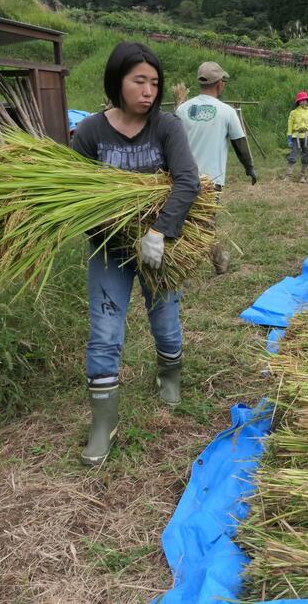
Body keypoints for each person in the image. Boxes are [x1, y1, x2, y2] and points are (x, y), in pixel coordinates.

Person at [71, 42, 200, 467]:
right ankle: (102, 422)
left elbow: (187, 181)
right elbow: (77, 194)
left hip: (159, 249)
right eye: (138, 81)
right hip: (108, 249)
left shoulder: (166, 126)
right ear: (117, 81)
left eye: (154, 83)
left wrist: (160, 232)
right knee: (105, 330)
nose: (148, 91)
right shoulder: (90, 132)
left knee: (165, 320)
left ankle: (169, 376)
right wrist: (110, 230)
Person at [176, 61, 257, 274]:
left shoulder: (182, 109)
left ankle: (195, 259)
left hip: (181, 177)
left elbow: (171, 143)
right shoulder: (226, 111)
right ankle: (217, 261)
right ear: (219, 83)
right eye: (224, 81)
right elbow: (240, 144)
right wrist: (249, 168)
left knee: (186, 218)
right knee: (206, 221)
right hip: (211, 180)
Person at [284, 90, 308, 182]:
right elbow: (290, 125)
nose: (304, 102)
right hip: (296, 136)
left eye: (305, 100)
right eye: (302, 100)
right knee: (293, 154)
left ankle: (302, 176)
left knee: (306, 156)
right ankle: (288, 175)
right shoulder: (293, 112)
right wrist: (289, 138)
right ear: (298, 101)